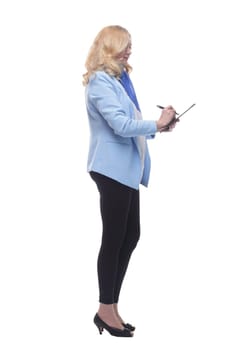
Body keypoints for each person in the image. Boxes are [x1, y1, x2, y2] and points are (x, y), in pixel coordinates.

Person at [82, 25, 177, 337]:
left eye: (130, 45)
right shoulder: (99, 82)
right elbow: (121, 125)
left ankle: (110, 307)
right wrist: (156, 123)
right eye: (124, 45)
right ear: (109, 46)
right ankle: (105, 309)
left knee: (129, 235)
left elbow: (132, 118)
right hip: (111, 168)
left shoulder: (119, 80)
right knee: (114, 238)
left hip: (125, 168)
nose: (129, 50)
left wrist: (160, 126)